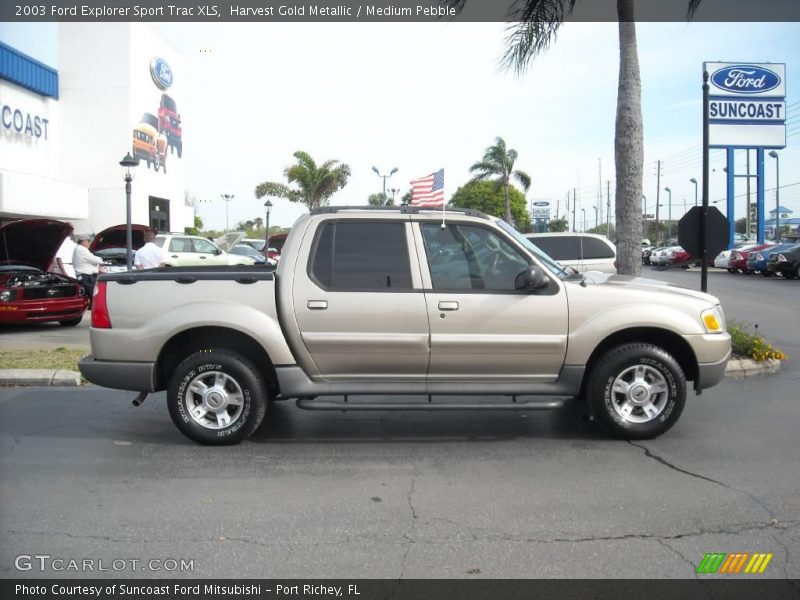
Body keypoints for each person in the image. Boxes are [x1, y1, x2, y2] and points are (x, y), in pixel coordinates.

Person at [73, 235, 104, 303]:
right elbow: (96, 260)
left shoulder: (79, 249)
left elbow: (87, 261)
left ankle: (92, 307)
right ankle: (95, 308)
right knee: (94, 295)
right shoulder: (82, 249)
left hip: (83, 275)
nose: (90, 243)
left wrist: (97, 267)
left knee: (92, 294)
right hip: (86, 276)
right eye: (89, 241)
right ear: (84, 241)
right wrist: (100, 259)